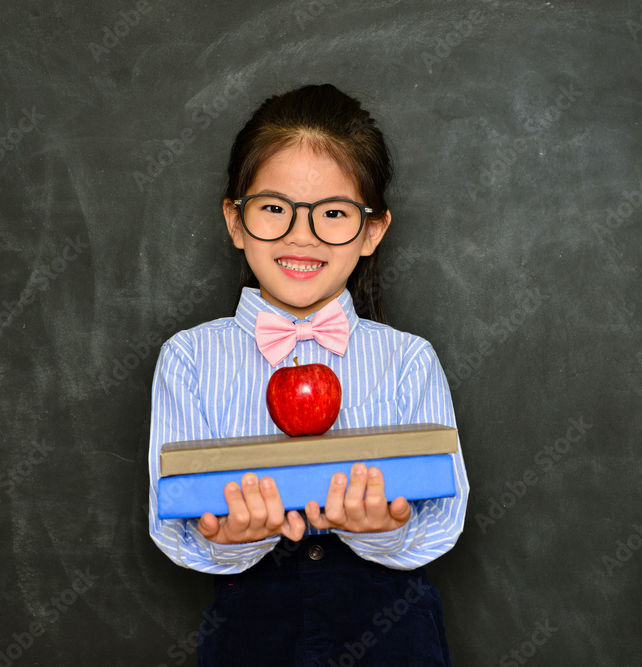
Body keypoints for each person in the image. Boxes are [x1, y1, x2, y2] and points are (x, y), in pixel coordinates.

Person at [147, 83, 469, 666]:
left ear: (371, 231)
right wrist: (226, 542)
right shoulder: (189, 358)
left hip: (392, 631)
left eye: (334, 213)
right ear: (235, 219)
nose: (302, 234)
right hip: (250, 633)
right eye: (274, 208)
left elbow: (444, 520)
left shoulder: (409, 360)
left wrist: (381, 532)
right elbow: (169, 521)